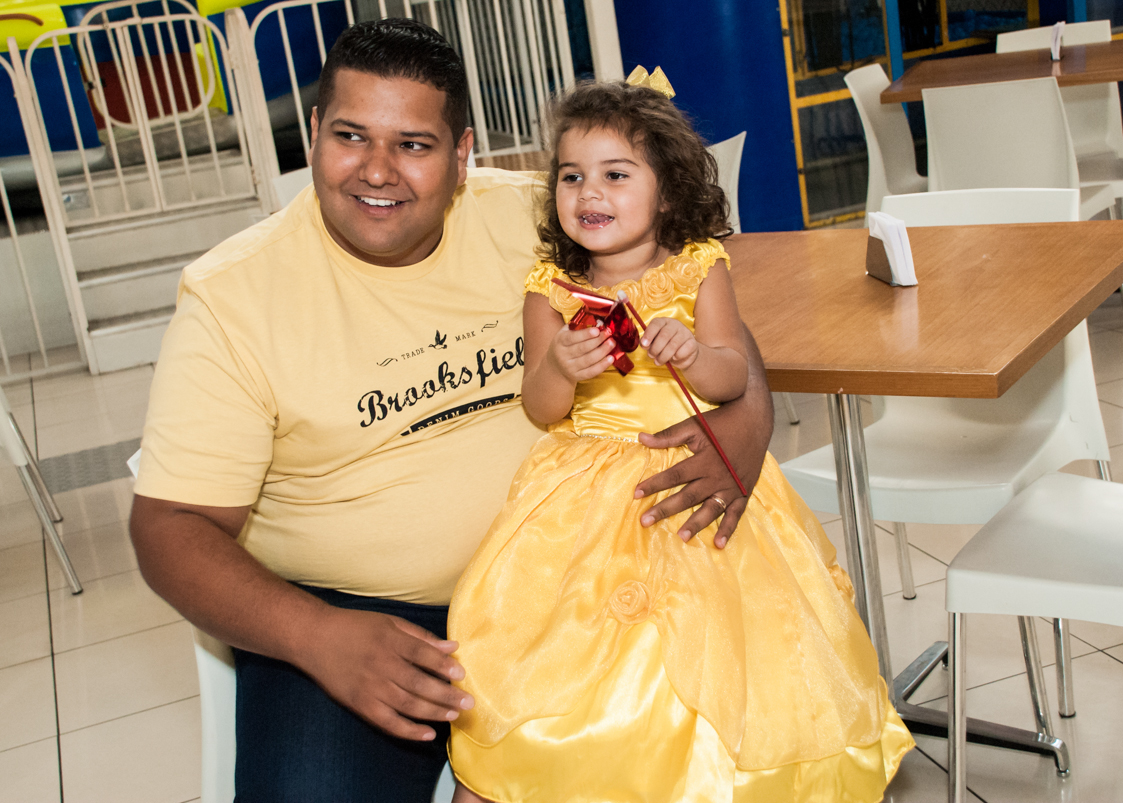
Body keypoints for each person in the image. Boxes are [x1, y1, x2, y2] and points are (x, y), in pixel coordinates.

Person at [128, 19, 774, 802]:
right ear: (311, 136)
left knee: (715, 752)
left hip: (579, 579)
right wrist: (316, 636)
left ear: (463, 155)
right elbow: (169, 526)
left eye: (414, 144)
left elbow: (706, 309)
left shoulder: (540, 218)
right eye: (350, 135)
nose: (377, 170)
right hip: (362, 620)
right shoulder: (233, 297)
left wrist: (744, 427)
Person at [446, 78, 914, 803]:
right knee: (585, 657)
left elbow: (733, 374)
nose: (587, 192)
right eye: (571, 176)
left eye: (615, 175)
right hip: (583, 494)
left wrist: (693, 352)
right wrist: (561, 366)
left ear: (666, 193)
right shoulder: (551, 289)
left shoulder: (700, 270)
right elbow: (541, 407)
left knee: (730, 648)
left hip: (694, 475)